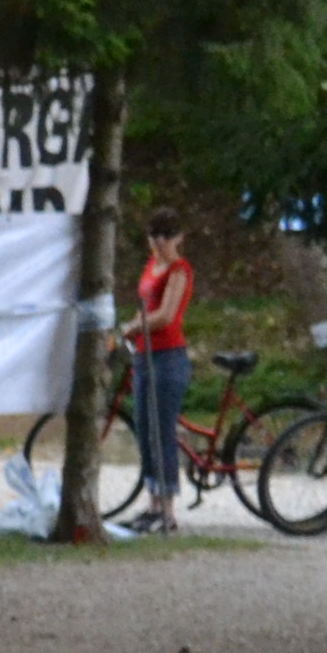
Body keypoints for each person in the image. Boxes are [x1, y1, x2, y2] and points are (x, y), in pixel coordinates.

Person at [130, 208, 198, 533]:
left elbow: (166, 315)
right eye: (154, 235)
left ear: (179, 238)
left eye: (167, 235)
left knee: (161, 432)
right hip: (144, 355)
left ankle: (168, 510)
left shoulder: (178, 271)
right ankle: (153, 503)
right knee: (145, 430)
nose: (159, 242)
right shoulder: (150, 266)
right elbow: (144, 306)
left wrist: (131, 327)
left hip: (167, 356)